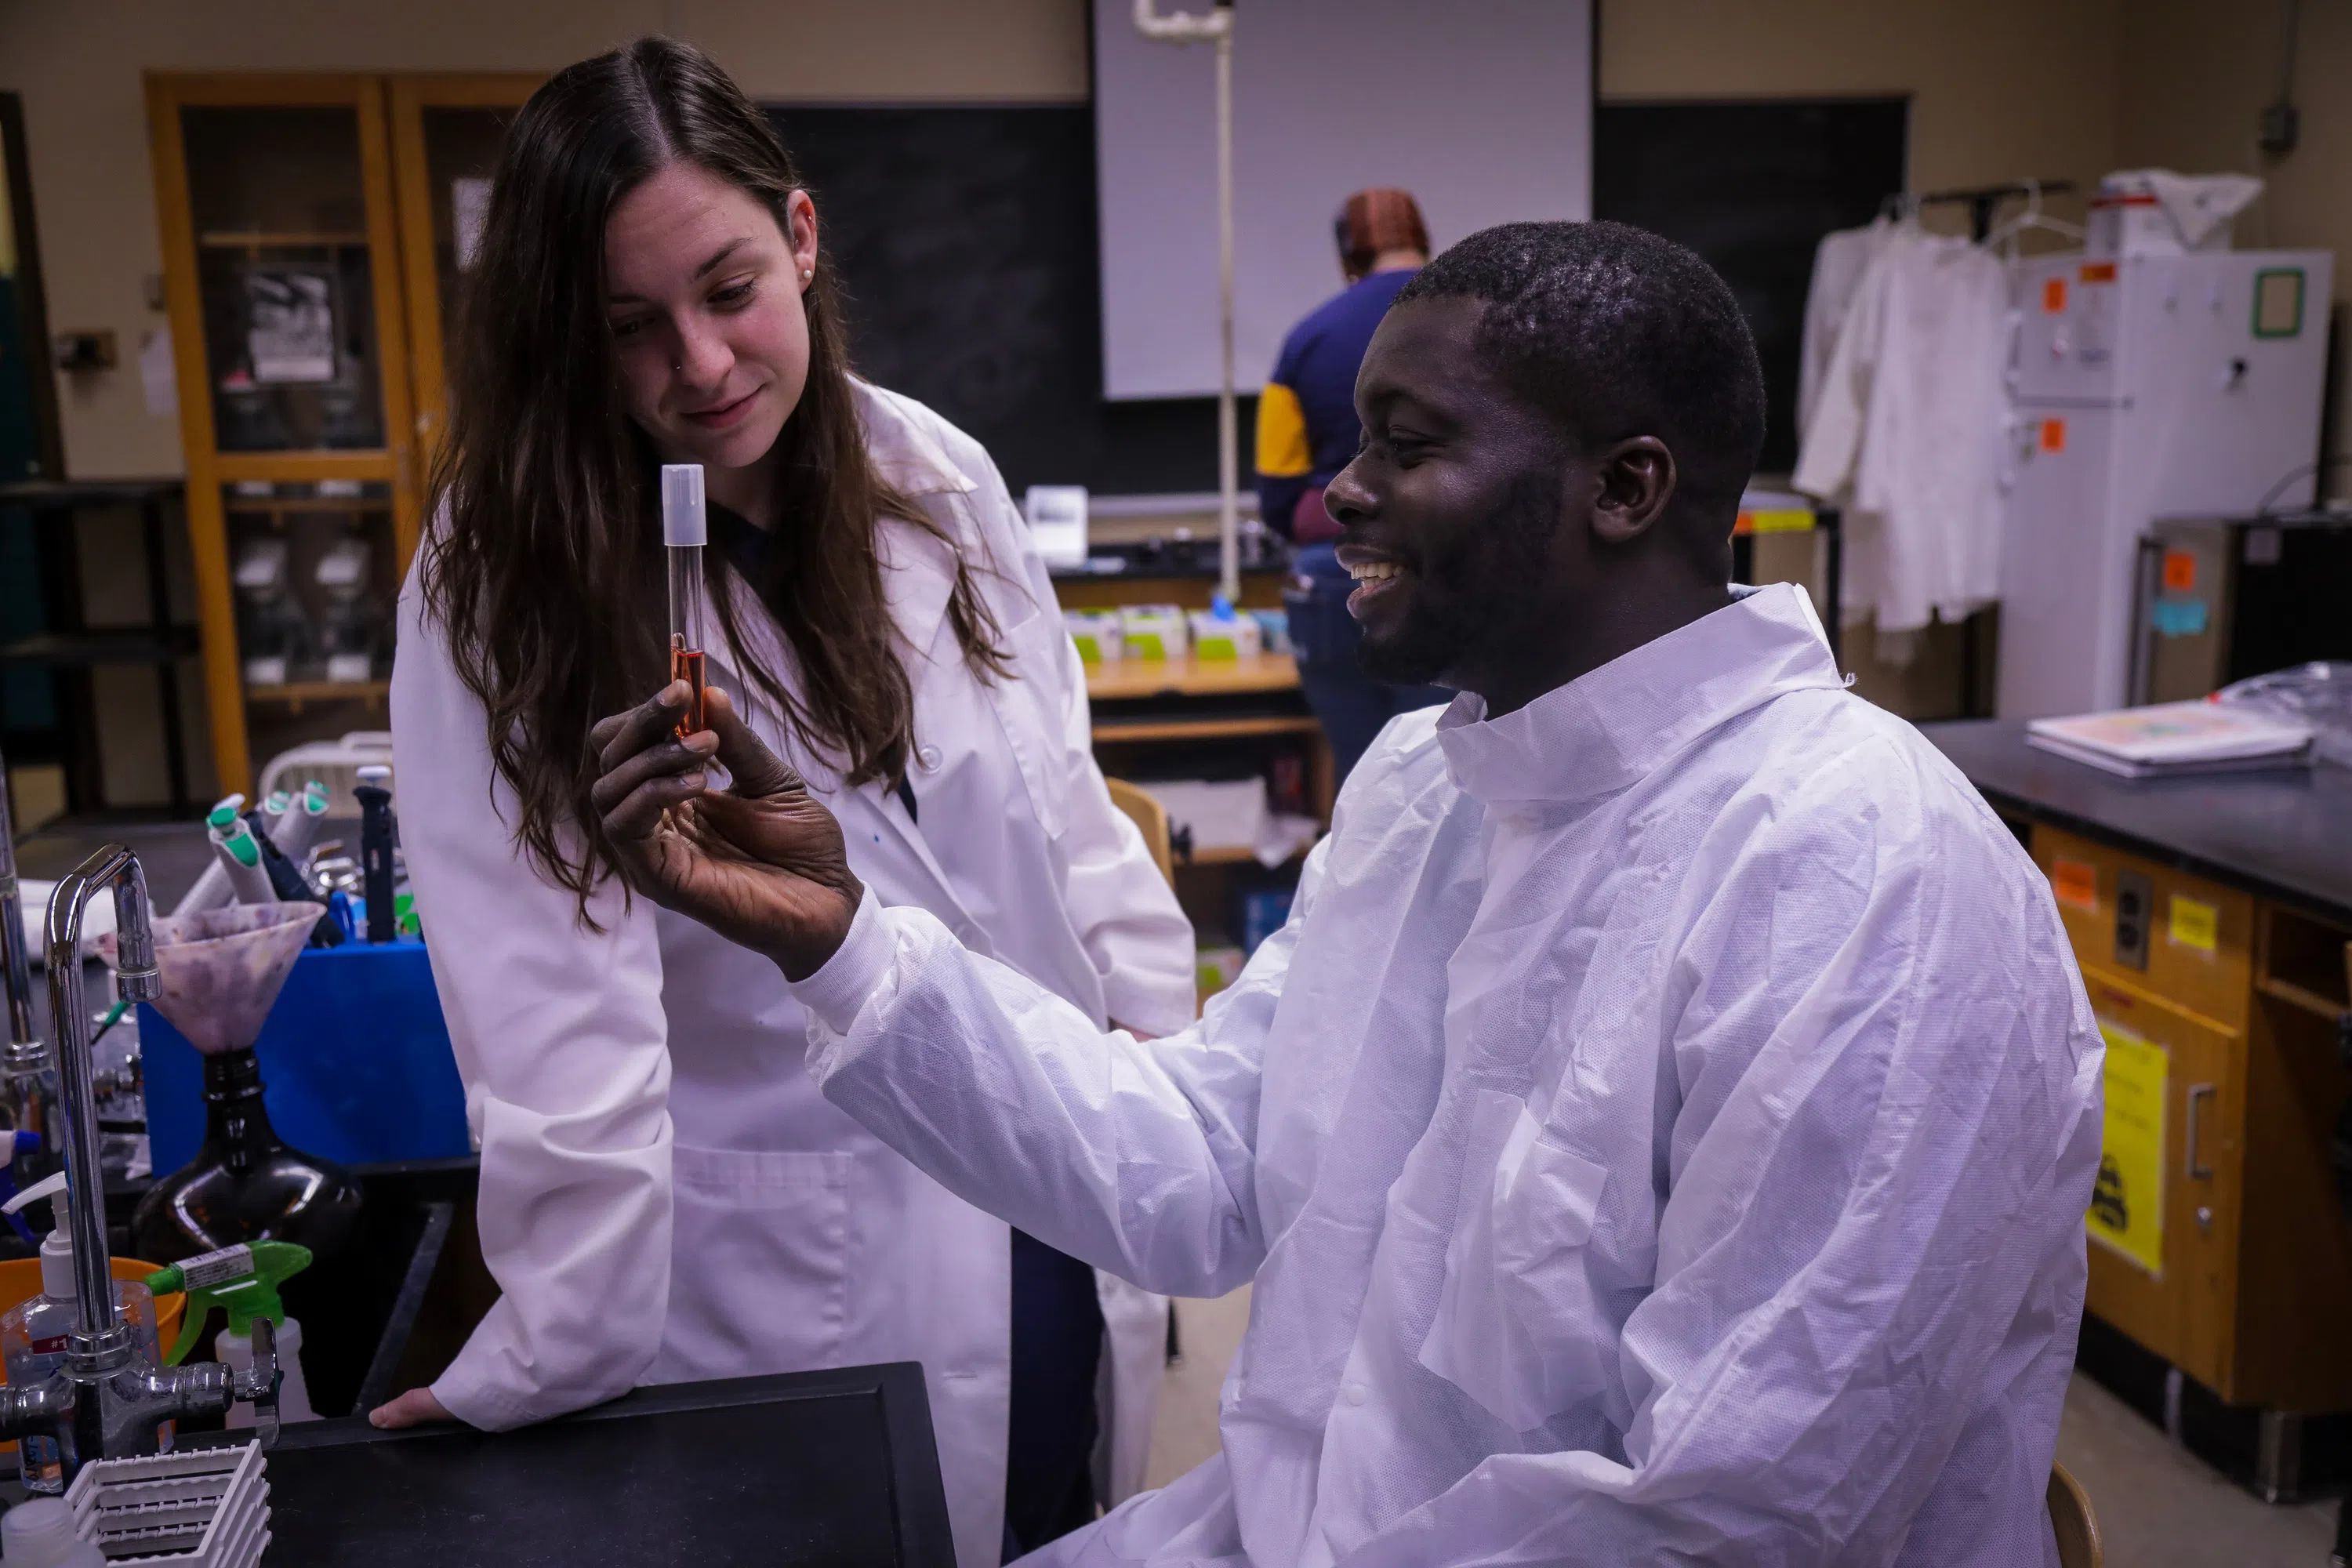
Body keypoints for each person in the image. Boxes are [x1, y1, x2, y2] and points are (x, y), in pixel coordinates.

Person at [588, 220, 2106, 1566]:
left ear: (1626, 487)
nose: (1340, 496)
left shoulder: (1858, 876)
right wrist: (842, 944)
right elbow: (1197, 1170)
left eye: (1408, 444)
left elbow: (1734, 1513)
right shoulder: (1426, 794)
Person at [374, 38, 1195, 1567]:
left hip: (1047, 1194)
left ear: (802, 239)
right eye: (630, 327)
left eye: (731, 289)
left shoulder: (933, 477)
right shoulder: (503, 585)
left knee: (1060, 1523)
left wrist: (1161, 1101)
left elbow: (1063, 813)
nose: (699, 365)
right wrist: (552, 1349)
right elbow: (551, 1009)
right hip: (795, 1254)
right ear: (564, 334)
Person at [1256, 188, 1447, 782]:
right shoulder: (1477, 323)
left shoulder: (1305, 341)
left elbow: (1277, 494)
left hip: (1335, 576)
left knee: (1362, 781)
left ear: (1348, 257)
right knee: (1452, 781)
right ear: (1424, 243)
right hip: (1449, 569)